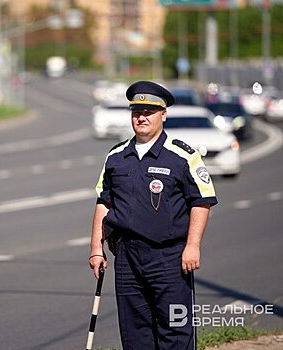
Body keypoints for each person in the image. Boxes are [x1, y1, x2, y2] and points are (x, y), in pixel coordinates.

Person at [89, 81, 218, 350]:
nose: (142, 117)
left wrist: (193, 246)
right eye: (137, 111)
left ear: (163, 114)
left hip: (169, 257)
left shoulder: (182, 156)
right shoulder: (116, 156)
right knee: (135, 332)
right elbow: (104, 203)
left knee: (174, 330)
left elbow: (201, 201)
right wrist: (95, 249)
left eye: (149, 111)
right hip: (126, 257)